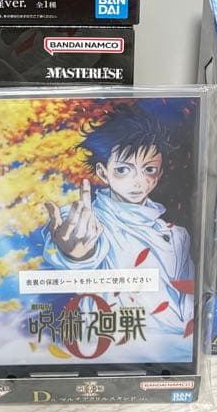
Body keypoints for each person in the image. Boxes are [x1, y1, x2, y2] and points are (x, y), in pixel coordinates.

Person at [41, 106, 193, 361]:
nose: (138, 181)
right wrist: (76, 256)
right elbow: (74, 255)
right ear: (103, 172)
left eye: (149, 169)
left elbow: (189, 298)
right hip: (108, 349)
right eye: (123, 169)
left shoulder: (177, 235)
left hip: (172, 352)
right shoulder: (87, 220)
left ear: (159, 172)